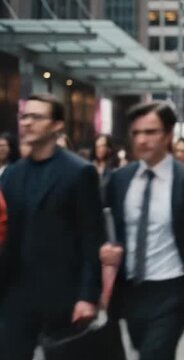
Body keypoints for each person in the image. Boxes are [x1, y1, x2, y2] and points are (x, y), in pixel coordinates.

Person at [102, 101, 184, 360]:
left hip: (173, 288)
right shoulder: (120, 180)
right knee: (142, 348)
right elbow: (107, 228)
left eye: (150, 132)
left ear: (168, 134)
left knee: (154, 355)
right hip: (131, 288)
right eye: (136, 133)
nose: (141, 140)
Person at [0, 94, 103, 359]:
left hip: (63, 294)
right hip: (15, 294)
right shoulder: (12, 174)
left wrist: (87, 296)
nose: (28, 123)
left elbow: (92, 237)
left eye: (37, 117)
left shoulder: (79, 172)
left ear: (57, 125)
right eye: (24, 116)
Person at [91, 135, 119, 202]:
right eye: (97, 146)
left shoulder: (114, 168)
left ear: (109, 148)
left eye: (103, 146)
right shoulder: (90, 165)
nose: (100, 149)